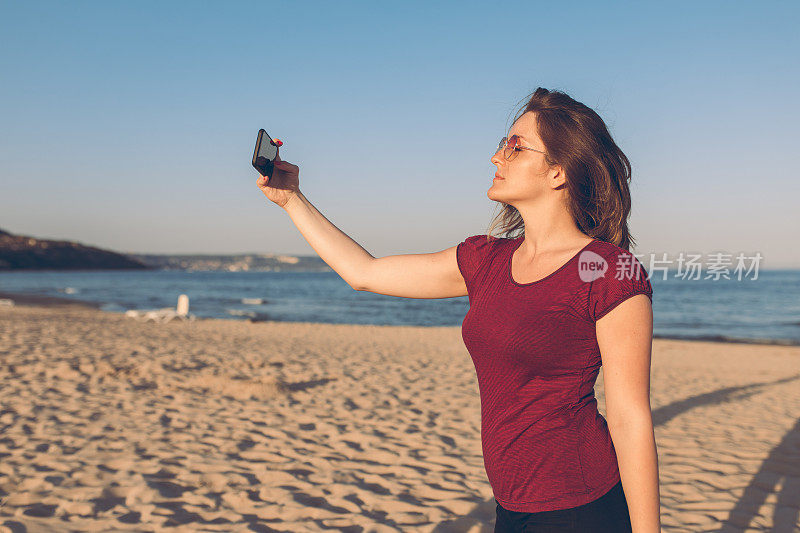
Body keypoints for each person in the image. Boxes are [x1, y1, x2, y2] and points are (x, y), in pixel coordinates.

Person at [256, 87, 661, 533]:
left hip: (577, 504)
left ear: (558, 172)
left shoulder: (607, 270)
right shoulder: (485, 260)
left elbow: (630, 418)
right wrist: (292, 199)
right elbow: (365, 272)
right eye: (501, 144)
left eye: (515, 147)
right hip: (509, 503)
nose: (496, 158)